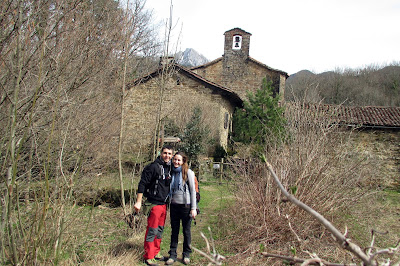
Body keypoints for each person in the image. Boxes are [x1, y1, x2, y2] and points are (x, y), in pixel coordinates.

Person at [134, 145, 174, 266]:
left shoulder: (169, 168)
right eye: (165, 153)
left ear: (172, 155)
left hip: (164, 204)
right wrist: (138, 201)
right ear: (161, 153)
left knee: (160, 230)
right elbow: (142, 184)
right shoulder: (152, 167)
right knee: (152, 230)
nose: (167, 156)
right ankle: (148, 256)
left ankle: (156, 252)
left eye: (169, 154)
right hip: (153, 204)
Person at [166, 152, 197, 265]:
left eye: (179, 160)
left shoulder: (188, 173)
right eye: (175, 159)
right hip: (174, 206)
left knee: (186, 231)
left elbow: (193, 191)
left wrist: (193, 208)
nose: (176, 162)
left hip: (186, 206)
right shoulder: (171, 172)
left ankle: (186, 254)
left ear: (183, 161)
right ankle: (172, 255)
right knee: (174, 231)